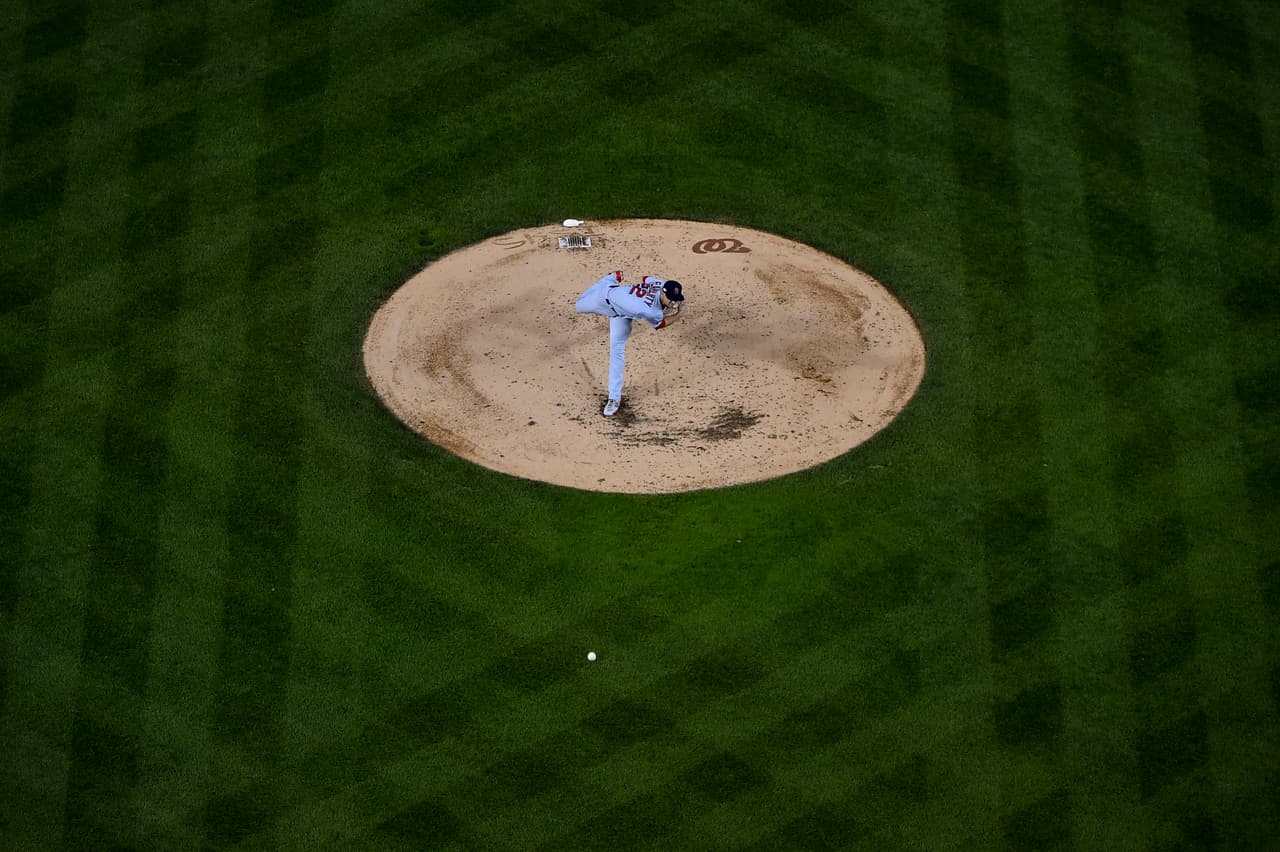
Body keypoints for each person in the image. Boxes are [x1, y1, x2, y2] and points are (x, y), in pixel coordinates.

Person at [575, 270, 685, 416]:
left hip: (621, 313)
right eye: (670, 299)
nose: (673, 302)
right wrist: (679, 314)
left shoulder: (660, 285)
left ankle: (614, 397)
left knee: (616, 349)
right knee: (578, 305)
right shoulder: (650, 311)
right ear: (662, 293)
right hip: (604, 300)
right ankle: (610, 279)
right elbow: (661, 324)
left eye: (675, 299)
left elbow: (646, 278)